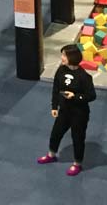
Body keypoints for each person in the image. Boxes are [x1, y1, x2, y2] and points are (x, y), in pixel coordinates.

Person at [38, 44, 96, 176]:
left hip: (79, 113)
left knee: (77, 138)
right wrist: (54, 106)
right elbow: (56, 89)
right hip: (64, 111)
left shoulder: (84, 76)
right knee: (56, 133)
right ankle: (51, 155)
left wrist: (75, 96)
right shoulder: (61, 70)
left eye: (64, 55)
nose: (62, 58)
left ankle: (77, 163)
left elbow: (91, 96)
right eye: (62, 55)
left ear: (72, 57)